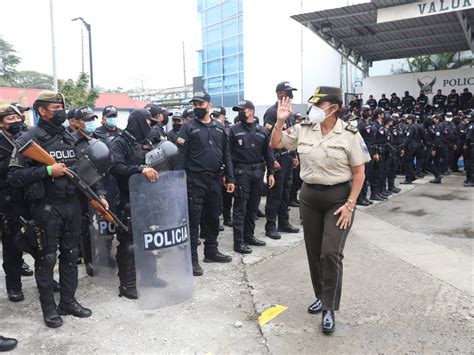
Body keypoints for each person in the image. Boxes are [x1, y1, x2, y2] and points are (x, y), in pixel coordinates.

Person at [270, 86, 370, 334]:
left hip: (338, 198)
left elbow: (359, 174)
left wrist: (350, 205)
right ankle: (320, 295)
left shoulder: (349, 134)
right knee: (314, 252)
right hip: (310, 196)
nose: (313, 110)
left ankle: (329, 308)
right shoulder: (304, 128)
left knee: (330, 253)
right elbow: (276, 143)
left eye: (319, 106)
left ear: (334, 108)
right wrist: (280, 121)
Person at [8, 91, 96, 328]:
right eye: (55, 107)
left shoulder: (70, 134)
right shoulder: (29, 138)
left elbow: (83, 170)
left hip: (72, 205)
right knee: (46, 260)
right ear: (42, 111)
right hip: (47, 208)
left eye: (62, 106)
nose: (61, 110)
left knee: (70, 256)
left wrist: (99, 198)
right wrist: (47, 171)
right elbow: (14, 176)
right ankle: (49, 309)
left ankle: (68, 301)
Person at [176, 91, 235, 276]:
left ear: (209, 105)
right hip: (195, 180)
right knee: (194, 221)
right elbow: (180, 156)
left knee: (212, 217)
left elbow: (227, 155)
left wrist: (230, 178)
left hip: (215, 180)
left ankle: (211, 251)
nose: (197, 108)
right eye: (194, 105)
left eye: (200, 105)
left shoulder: (219, 127)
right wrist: (180, 180)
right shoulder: (188, 128)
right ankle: (192, 259)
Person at [109, 109, 162, 298]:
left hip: (148, 199)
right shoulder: (120, 142)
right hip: (127, 199)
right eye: (149, 122)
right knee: (129, 244)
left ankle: (150, 277)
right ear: (139, 121)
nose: (152, 126)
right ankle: (127, 284)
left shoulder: (145, 142)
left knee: (149, 239)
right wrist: (140, 169)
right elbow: (115, 167)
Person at [228, 100, 275, 254]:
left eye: (243, 110)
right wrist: (229, 177)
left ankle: (249, 236)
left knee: (253, 207)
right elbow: (227, 155)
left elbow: (268, 153)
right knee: (240, 208)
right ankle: (238, 242)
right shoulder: (233, 130)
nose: (240, 113)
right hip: (241, 173)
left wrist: (271, 173)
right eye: (239, 110)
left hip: (258, 172)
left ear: (251, 111)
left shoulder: (262, 131)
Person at [263, 82, 300, 240]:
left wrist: (294, 156)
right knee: (275, 194)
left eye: (291, 92)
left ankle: (284, 223)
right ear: (279, 94)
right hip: (277, 158)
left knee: (286, 192)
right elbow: (267, 139)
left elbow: (291, 136)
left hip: (287, 156)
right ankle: (270, 226)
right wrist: (272, 161)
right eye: (287, 92)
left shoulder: (289, 114)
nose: (290, 95)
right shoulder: (272, 113)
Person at [0, 104, 28, 302]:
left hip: (29, 196)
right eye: (11, 119)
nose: (17, 122)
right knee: (12, 246)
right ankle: (14, 286)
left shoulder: (27, 136)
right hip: (8, 200)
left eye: (18, 118)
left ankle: (47, 279)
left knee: (40, 242)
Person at [400, 114, 424, 184]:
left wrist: (404, 147)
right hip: (419, 146)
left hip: (411, 147)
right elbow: (423, 136)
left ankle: (408, 179)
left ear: (410, 120)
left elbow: (408, 138)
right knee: (412, 162)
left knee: (407, 163)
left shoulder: (411, 127)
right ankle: (412, 176)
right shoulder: (419, 126)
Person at [463, 111, 474, 187]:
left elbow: (468, 136)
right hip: (471, 145)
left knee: (471, 164)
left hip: (472, 145)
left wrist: (466, 144)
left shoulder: (471, 126)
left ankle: (472, 181)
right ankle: (469, 178)